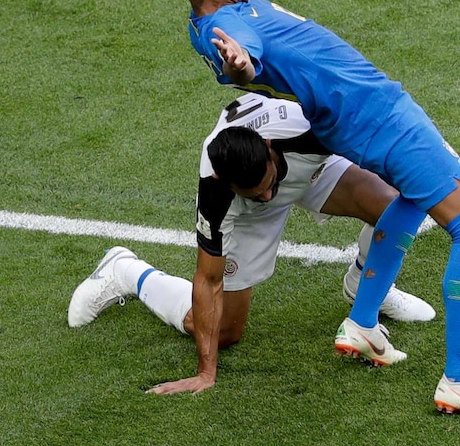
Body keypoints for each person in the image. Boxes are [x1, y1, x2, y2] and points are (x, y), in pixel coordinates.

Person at [162, 0, 460, 417]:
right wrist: (240, 63)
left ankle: (362, 322)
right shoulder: (228, 29)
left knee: (413, 201)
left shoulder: (223, 11)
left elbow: (239, 33)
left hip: (358, 117)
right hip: (378, 118)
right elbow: (242, 60)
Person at [68, 94, 435, 394]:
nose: (266, 194)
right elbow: (208, 280)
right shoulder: (217, 194)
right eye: (254, 191)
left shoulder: (309, 129)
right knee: (225, 332)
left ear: (269, 146)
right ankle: (126, 271)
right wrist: (205, 373)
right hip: (249, 213)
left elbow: (379, 130)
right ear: (223, 180)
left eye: (267, 185)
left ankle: (367, 287)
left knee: (395, 209)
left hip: (306, 168)